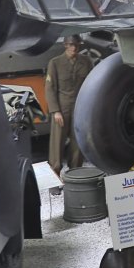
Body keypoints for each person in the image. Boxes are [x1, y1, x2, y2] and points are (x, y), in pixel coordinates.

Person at [45, 36, 96, 173]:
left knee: (77, 140)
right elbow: (50, 88)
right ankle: (55, 172)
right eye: (71, 45)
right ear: (65, 45)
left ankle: (75, 171)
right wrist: (55, 111)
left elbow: (91, 83)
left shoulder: (86, 61)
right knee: (57, 142)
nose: (74, 48)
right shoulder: (55, 63)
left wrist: (89, 108)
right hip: (62, 107)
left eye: (77, 45)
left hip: (80, 107)